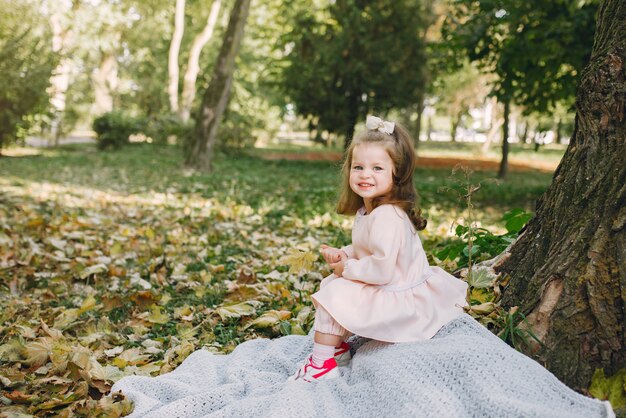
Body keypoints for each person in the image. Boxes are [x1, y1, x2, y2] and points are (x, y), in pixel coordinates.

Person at [289, 115, 469, 383]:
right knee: (331, 285)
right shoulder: (369, 209)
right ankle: (336, 348)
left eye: (377, 168)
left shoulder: (388, 216)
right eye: (358, 167)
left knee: (336, 292)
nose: (365, 175)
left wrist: (347, 268)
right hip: (386, 283)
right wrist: (346, 254)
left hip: (400, 297)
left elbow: (382, 269)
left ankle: (321, 364)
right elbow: (368, 249)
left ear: (397, 172)